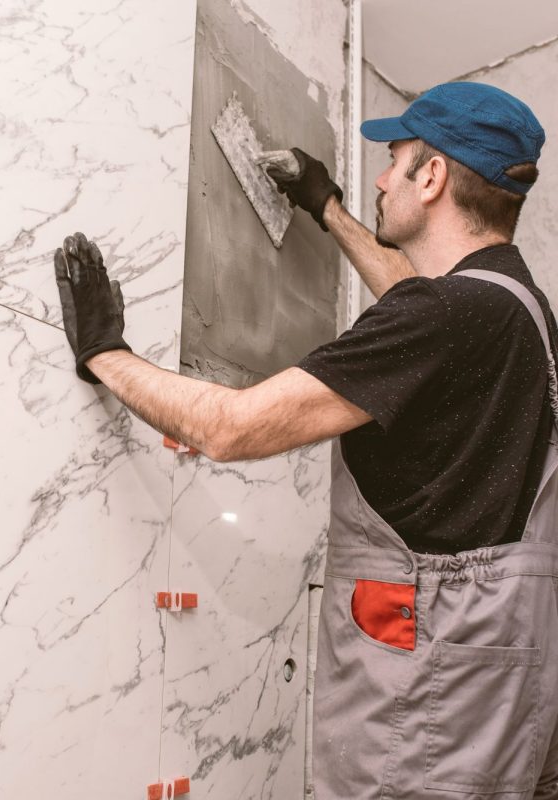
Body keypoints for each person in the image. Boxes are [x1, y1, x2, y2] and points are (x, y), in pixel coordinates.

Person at [54, 81, 558, 798]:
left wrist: (106, 351)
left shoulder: (445, 315)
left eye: (396, 158)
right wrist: (327, 209)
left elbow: (229, 429)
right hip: (505, 684)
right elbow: (414, 299)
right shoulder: (519, 312)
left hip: (428, 703)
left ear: (434, 175)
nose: (382, 177)